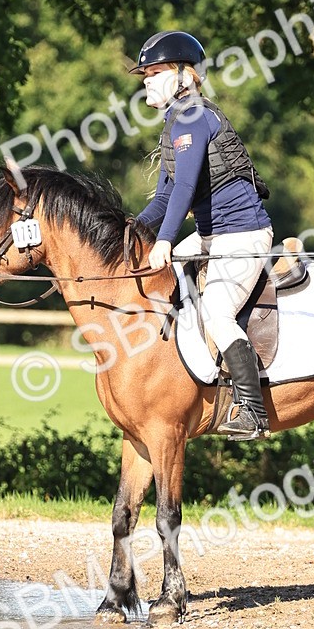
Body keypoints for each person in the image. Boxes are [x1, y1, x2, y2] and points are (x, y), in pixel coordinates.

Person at [130, 29, 274, 440]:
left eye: (155, 73)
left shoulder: (193, 116)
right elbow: (164, 197)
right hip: (211, 235)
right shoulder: (175, 122)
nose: (147, 81)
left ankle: (253, 411)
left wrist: (164, 241)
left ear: (184, 75)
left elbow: (186, 189)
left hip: (243, 235)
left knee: (217, 312)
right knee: (161, 280)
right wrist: (132, 231)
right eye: (145, 75)